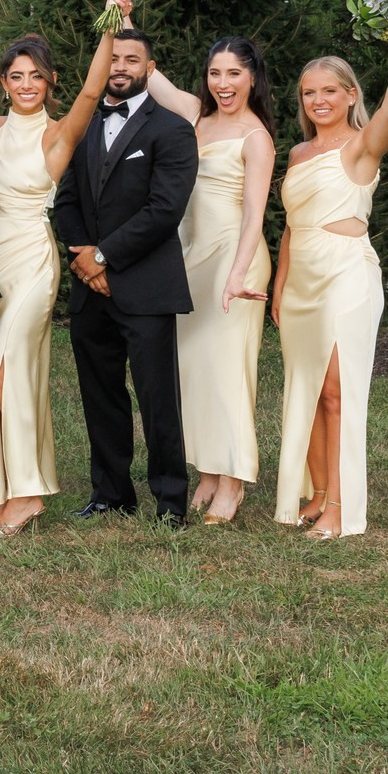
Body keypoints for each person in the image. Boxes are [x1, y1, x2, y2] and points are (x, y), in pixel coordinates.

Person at [0, 13, 117, 535]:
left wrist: (111, 22)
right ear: (3, 82)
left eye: (36, 76)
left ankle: (27, 495)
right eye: (16, 76)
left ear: (51, 83)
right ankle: (7, 488)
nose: (26, 86)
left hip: (30, 260)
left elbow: (95, 89)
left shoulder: (58, 134)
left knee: (10, 378)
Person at [51, 24, 200, 526]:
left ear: (149, 69)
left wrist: (105, 257)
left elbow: (164, 210)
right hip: (90, 289)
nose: (120, 68)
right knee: (100, 393)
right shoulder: (85, 124)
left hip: (146, 287)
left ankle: (170, 501)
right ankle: (110, 492)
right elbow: (65, 198)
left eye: (131, 61)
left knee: (158, 396)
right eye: (113, 59)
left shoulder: (173, 130)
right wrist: (84, 259)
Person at [274, 30, 388, 539]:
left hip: (346, 274)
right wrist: (281, 285)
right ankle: (316, 493)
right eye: (309, 93)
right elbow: (291, 225)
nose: (318, 101)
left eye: (329, 90)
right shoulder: (297, 153)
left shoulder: (361, 147)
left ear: (351, 93)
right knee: (306, 389)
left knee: (335, 391)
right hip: (301, 281)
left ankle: (339, 506)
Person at [143, 34, 277, 521]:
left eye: (234, 74)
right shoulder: (196, 117)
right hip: (191, 259)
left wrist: (237, 274)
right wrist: (124, 15)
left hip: (233, 260)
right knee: (195, 370)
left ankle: (234, 481)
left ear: (252, 77)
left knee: (227, 373)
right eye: (215, 73)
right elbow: (152, 78)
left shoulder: (256, 137)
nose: (223, 84)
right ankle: (208, 470)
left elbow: (253, 218)